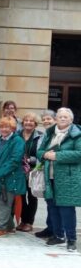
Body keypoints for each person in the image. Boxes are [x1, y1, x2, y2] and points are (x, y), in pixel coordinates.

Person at [37, 108, 80, 252]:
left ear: (71, 120)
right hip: (50, 176)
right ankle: (58, 235)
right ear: (56, 119)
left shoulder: (77, 134)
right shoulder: (49, 133)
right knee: (52, 207)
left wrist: (57, 156)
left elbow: (79, 154)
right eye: (60, 116)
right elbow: (40, 151)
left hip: (68, 178)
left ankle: (72, 239)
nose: (62, 119)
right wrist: (45, 155)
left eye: (65, 117)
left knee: (67, 209)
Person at [0, 117, 26, 238]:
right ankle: (9, 226)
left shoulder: (18, 141)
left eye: (7, 127)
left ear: (12, 128)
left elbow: (15, 160)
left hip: (9, 178)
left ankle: (1, 228)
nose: (4, 129)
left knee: (5, 203)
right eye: (2, 127)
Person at [16, 112, 43, 232]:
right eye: (26, 120)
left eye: (31, 121)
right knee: (20, 196)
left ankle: (29, 222)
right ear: (23, 123)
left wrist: (30, 159)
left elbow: (41, 153)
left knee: (32, 197)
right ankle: (23, 220)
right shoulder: (17, 135)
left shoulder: (40, 136)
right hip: (18, 171)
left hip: (33, 171)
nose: (28, 123)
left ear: (35, 124)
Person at [35, 110, 56, 239]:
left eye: (49, 118)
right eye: (44, 119)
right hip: (44, 171)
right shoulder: (43, 135)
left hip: (54, 172)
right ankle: (50, 227)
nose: (46, 121)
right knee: (49, 201)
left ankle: (56, 229)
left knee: (55, 202)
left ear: (55, 120)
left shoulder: (56, 135)